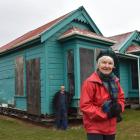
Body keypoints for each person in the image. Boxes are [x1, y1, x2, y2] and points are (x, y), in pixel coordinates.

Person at [80, 49, 125, 140]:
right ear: (98, 65)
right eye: (103, 62)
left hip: (111, 127)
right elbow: (85, 106)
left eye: (110, 63)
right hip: (94, 128)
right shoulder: (90, 82)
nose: (106, 66)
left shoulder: (115, 81)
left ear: (113, 66)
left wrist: (119, 107)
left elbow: (121, 98)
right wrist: (106, 114)